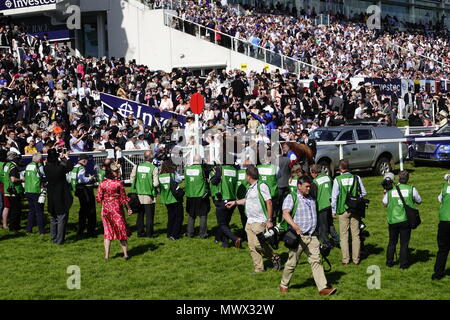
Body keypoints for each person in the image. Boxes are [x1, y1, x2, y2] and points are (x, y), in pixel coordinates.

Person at [278, 175, 337, 296]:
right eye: (307, 186)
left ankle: (322, 288)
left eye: (310, 186)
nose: (309, 188)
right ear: (299, 186)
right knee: (292, 263)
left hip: (312, 236)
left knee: (316, 261)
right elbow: (285, 213)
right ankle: (283, 284)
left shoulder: (311, 198)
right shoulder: (291, 197)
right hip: (298, 237)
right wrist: (295, 226)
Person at [226, 165, 281, 273]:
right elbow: (248, 199)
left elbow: (269, 202)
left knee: (258, 244)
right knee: (252, 246)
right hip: (250, 220)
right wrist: (235, 202)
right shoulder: (250, 187)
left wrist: (269, 220)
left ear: (249, 176)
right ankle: (259, 269)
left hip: (260, 220)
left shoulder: (262, 186)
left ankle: (274, 256)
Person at [383, 171, 421, 269]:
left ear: (398, 178)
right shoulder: (411, 189)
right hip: (405, 219)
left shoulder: (390, 190)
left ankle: (389, 262)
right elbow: (419, 200)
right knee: (404, 243)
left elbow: (384, 203)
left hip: (393, 220)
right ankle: (403, 264)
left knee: (392, 242)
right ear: (407, 179)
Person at [331, 159, 366, 265]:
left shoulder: (337, 179)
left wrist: (333, 210)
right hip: (355, 209)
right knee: (356, 235)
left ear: (340, 168)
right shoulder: (357, 178)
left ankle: (346, 259)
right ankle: (356, 259)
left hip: (342, 209)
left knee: (343, 235)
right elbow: (364, 192)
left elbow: (334, 197)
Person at [96, 162, 132, 260]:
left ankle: (106, 256)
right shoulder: (118, 184)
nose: (118, 173)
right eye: (117, 171)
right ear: (113, 172)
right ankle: (125, 254)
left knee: (107, 232)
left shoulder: (102, 184)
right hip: (117, 209)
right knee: (121, 230)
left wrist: (105, 200)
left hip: (106, 210)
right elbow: (124, 198)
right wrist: (128, 208)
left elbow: (98, 198)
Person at [44, 149, 73, 245]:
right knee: (61, 217)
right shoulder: (60, 168)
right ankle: (59, 240)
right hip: (61, 194)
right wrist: (65, 157)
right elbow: (70, 167)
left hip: (51, 194)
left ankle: (53, 238)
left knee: (53, 217)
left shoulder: (46, 168)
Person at [210, 162, 241, 248]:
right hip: (232, 199)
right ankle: (225, 243)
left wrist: (215, 174)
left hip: (222, 199)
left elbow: (214, 182)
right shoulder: (235, 170)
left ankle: (235, 239)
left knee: (221, 224)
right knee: (226, 222)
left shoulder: (220, 169)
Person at [130, 150, 159, 238]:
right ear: (151, 157)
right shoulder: (154, 168)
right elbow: (156, 183)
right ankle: (149, 234)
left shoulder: (137, 166)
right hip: (148, 194)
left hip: (138, 193)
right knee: (149, 215)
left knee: (140, 214)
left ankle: (140, 232)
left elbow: (132, 178)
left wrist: (137, 185)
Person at [310, 164, 339, 248]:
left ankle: (326, 244)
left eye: (311, 173)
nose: (311, 175)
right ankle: (337, 239)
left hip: (322, 206)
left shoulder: (315, 182)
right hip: (331, 205)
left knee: (323, 226)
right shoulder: (329, 178)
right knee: (330, 224)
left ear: (315, 173)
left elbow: (313, 196)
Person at [70, 154, 97, 237]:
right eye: (86, 161)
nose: (87, 162)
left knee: (82, 209)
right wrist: (91, 178)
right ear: (84, 160)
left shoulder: (75, 167)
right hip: (82, 189)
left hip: (76, 188)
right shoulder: (81, 168)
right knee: (89, 209)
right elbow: (82, 179)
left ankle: (80, 229)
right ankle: (90, 230)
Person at [184, 155, 210, 239]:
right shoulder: (202, 169)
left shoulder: (187, 169)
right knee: (203, 214)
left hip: (190, 194)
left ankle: (189, 233)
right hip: (201, 194)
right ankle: (202, 234)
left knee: (191, 215)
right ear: (201, 161)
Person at [158, 160, 184, 240]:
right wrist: (175, 172)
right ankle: (175, 234)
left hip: (166, 199)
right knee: (179, 217)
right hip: (174, 199)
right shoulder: (172, 175)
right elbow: (180, 179)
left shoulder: (160, 176)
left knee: (171, 217)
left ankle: (169, 233)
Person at [433, 174, 450, 280]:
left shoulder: (444, 188)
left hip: (444, 222)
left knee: (443, 249)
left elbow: (439, 199)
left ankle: (438, 273)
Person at [24, 153, 46, 234]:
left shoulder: (28, 165)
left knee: (31, 211)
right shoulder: (38, 166)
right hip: (36, 190)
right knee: (39, 211)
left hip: (28, 189)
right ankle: (41, 230)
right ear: (40, 160)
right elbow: (44, 173)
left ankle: (28, 229)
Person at [3, 152, 24, 232]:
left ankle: (12, 226)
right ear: (14, 158)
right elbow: (13, 179)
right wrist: (22, 180)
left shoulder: (6, 165)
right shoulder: (13, 167)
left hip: (7, 189)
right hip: (14, 190)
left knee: (12, 209)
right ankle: (14, 227)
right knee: (16, 210)